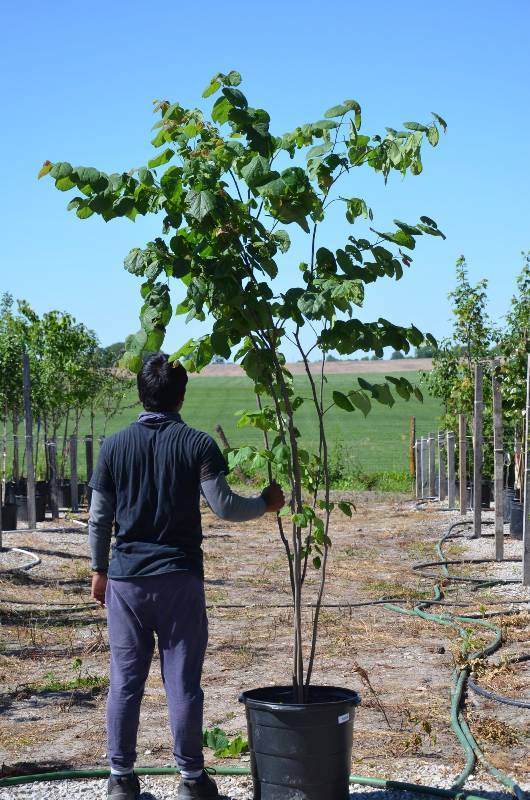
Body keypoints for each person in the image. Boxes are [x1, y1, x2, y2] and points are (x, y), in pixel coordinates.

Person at [88, 354, 285, 800]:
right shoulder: (198, 445)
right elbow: (225, 507)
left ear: (141, 393)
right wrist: (265, 503)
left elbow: (100, 519)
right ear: (181, 396)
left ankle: (120, 779)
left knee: (125, 680)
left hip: (126, 581)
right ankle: (192, 781)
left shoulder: (113, 447)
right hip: (179, 579)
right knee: (181, 682)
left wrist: (99, 570)